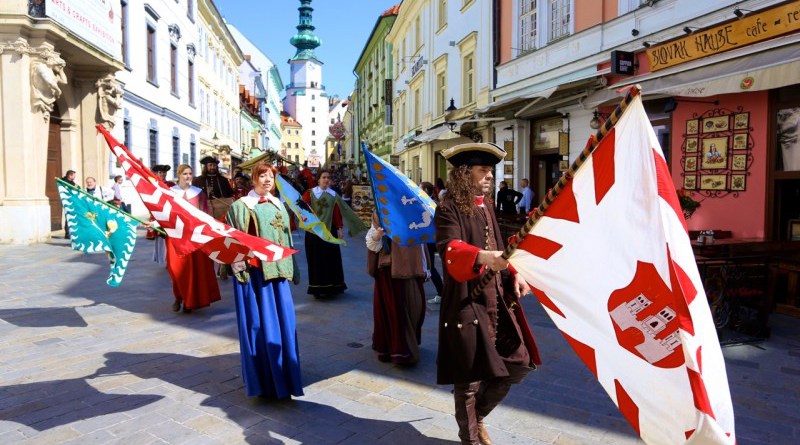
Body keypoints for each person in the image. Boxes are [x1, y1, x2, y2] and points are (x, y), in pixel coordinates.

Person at [435, 142, 541, 445]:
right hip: (467, 301)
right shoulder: (448, 207)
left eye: (490, 171)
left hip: (497, 299)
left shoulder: (487, 204)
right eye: (483, 170)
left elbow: (501, 248)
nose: (489, 176)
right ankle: (470, 438)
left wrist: (514, 272)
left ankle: (478, 417)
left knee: (518, 364)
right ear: (465, 173)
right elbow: (448, 247)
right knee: (468, 379)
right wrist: (483, 256)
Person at [225, 162, 303, 399]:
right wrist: (239, 266)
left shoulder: (279, 204)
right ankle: (265, 381)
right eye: (262, 176)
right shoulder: (241, 206)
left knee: (285, 324)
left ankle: (285, 375)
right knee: (260, 325)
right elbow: (229, 238)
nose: (267, 180)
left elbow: (288, 240)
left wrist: (293, 267)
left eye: (270, 176)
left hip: (278, 275)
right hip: (256, 276)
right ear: (254, 179)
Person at [366, 211, 428, 365]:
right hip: (389, 271)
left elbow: (421, 242)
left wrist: (426, 267)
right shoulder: (381, 210)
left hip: (413, 267)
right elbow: (372, 243)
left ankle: (407, 344)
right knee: (394, 312)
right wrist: (378, 235)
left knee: (416, 308)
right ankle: (398, 350)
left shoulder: (415, 209)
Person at [301, 169, 367, 298]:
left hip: (330, 231)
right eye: (324, 177)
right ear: (318, 179)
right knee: (316, 259)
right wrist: (303, 217)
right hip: (314, 232)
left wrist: (340, 228)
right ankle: (317, 288)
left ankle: (334, 286)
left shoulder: (333, 195)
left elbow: (337, 213)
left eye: (328, 177)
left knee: (331, 259)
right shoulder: (310, 194)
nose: (326, 180)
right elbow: (302, 209)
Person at [165, 164, 221, 313]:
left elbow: (205, 213)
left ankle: (190, 300)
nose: (188, 176)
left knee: (194, 270)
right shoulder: (170, 193)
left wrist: (210, 228)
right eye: (185, 174)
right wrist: (154, 222)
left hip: (194, 237)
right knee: (176, 269)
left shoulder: (199, 193)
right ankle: (178, 297)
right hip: (176, 237)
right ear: (179, 175)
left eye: (190, 173)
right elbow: (164, 213)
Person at [420, 182, 444, 304]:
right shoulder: (429, 202)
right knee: (426, 265)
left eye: (420, 187)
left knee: (429, 266)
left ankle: (441, 292)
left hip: (428, 239)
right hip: (427, 239)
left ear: (425, 190)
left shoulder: (428, 203)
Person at [149, 165, 174, 265]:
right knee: (160, 236)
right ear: (157, 174)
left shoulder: (171, 184)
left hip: (169, 212)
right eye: (160, 172)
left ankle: (170, 259)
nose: (163, 174)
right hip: (157, 212)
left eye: (164, 172)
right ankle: (162, 258)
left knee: (170, 236)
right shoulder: (152, 184)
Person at [61, 170, 78, 239]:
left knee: (71, 217)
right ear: (70, 175)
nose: (74, 177)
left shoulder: (71, 182)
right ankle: (67, 234)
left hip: (72, 201)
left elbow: (76, 187)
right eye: (74, 175)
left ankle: (70, 232)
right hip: (67, 201)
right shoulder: (64, 181)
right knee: (68, 216)